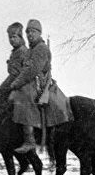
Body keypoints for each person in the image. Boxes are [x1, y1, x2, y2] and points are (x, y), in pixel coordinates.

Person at [9, 19, 72, 153]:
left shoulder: (41, 48)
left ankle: (29, 140)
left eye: (33, 31)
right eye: (28, 32)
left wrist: (16, 83)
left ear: (39, 33)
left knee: (23, 96)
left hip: (40, 83)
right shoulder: (31, 49)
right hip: (34, 81)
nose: (30, 34)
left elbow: (31, 70)